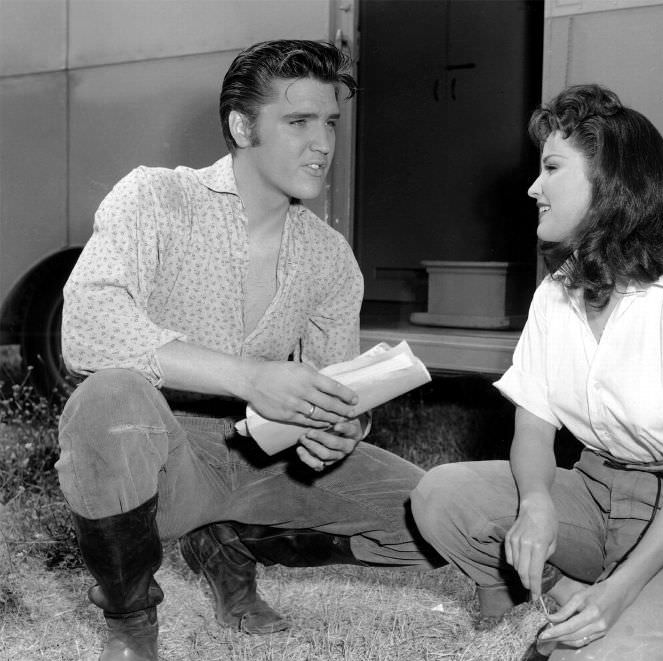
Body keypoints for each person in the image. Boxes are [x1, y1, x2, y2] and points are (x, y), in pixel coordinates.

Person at [55, 40, 441, 661]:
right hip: (158, 459)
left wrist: (344, 425)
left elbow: (336, 384)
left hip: (261, 459)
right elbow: (87, 327)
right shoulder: (155, 198)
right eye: (298, 122)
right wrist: (251, 377)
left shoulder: (328, 257)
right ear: (242, 126)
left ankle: (225, 546)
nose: (323, 143)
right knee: (108, 398)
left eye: (330, 123)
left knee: (438, 519)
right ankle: (130, 619)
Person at [411, 84, 663, 660]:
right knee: (439, 496)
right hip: (595, 489)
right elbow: (533, 424)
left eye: (552, 168)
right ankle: (579, 594)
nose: (534, 187)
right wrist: (537, 502)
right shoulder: (557, 292)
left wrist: (620, 593)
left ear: (610, 183)